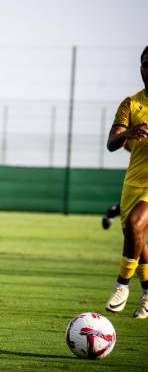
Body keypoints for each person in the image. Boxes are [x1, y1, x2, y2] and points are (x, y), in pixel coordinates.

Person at [104, 46, 148, 319]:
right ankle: (147, 294)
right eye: (146, 63)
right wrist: (129, 133)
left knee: (135, 224)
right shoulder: (131, 104)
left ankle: (122, 284)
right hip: (133, 183)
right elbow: (112, 143)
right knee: (137, 240)